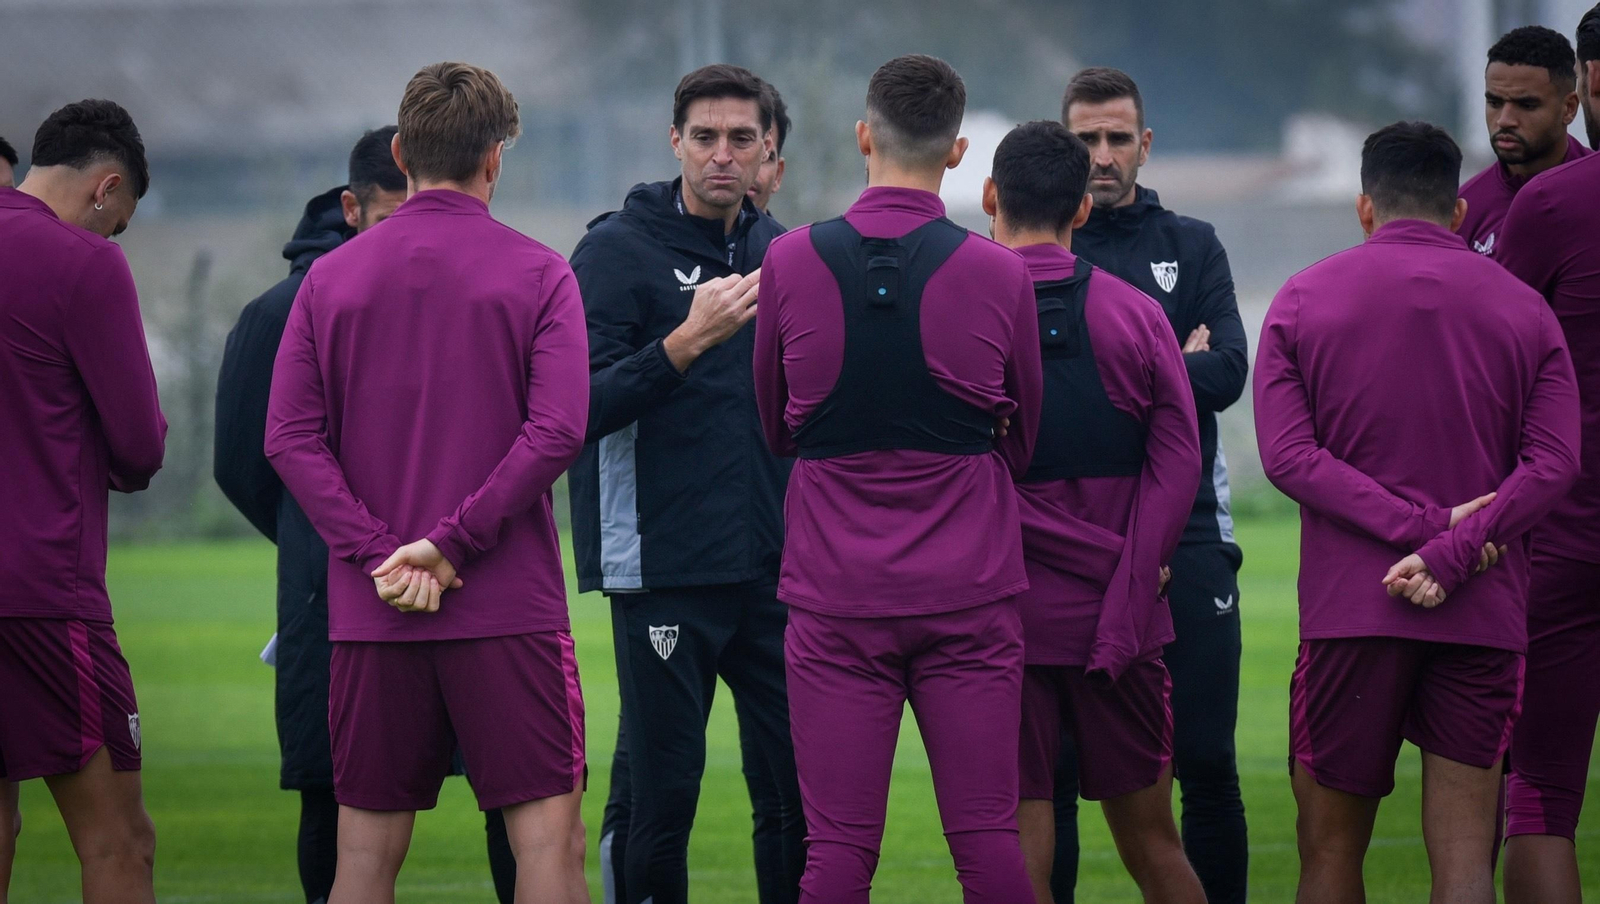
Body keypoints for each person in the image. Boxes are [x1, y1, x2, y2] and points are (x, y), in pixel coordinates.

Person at [265, 62, 590, 904]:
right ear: (496, 159)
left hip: (373, 611)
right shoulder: (541, 271)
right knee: (548, 848)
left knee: (363, 862)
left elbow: (289, 440)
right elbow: (556, 430)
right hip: (508, 607)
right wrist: (449, 547)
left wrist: (382, 556)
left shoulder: (328, 280)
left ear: (403, 154)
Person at [1256, 120, 1580, 904]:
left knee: (1329, 859)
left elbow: (1290, 459)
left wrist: (1423, 533)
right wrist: (1453, 545)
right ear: (1459, 214)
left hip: (1351, 615)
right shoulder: (1526, 309)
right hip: (1480, 613)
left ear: (1365, 207)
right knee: (1466, 867)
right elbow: (1556, 464)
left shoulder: (1301, 298)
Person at [754, 53, 1042, 903]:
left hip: (836, 596)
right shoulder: (1000, 272)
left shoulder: (791, 261)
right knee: (989, 842)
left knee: (837, 853)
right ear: (958, 153)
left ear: (862, 137)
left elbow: (775, 428)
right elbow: (1025, 437)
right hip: (970, 592)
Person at [215, 126, 517, 904]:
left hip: (475, 579)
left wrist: (448, 541)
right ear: (352, 208)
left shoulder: (486, 285)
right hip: (340, 594)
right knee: (333, 793)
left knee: (515, 794)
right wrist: (349, 545)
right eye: (392, 217)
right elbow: (248, 464)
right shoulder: (283, 309)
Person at [569, 63, 802, 904]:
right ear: (675, 142)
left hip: (777, 574)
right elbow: (574, 407)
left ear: (766, 149)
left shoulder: (786, 253)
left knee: (797, 800)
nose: (722, 155)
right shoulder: (613, 251)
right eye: (705, 137)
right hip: (664, 570)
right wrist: (684, 341)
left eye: (742, 139)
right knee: (665, 802)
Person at [986, 119, 1205, 904]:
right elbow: (1179, 460)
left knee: (1020, 850)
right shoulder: (1140, 315)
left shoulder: (955, 315)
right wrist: (1134, 576)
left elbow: (953, 471)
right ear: (1082, 209)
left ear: (989, 198)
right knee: (1154, 843)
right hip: (1127, 614)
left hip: (1004, 617)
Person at [1058, 66, 1249, 904]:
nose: (1102, 156)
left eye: (1116, 138)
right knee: (1053, 774)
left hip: (1191, 530)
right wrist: (1174, 360)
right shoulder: (1035, 243)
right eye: (1085, 140)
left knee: (1206, 759)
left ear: (1144, 143)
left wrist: (1108, 371)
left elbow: (1232, 369)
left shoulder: (1192, 243)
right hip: (1069, 532)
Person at [0, 98, 166, 904]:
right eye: (122, 221)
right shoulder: (85, 263)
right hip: (39, 591)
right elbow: (141, 445)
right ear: (105, 189)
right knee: (120, 843)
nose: (114, 239)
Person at [1495, 8, 1600, 901]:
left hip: (1568, 532)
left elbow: (1491, 364)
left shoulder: (1555, 203)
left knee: (1539, 795)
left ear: (1587, 89)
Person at [1457, 26, 1590, 257]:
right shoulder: (1464, 209)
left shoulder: (1593, 185)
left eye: (1527, 105)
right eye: (1495, 103)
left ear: (1569, 108)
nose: (1505, 120)